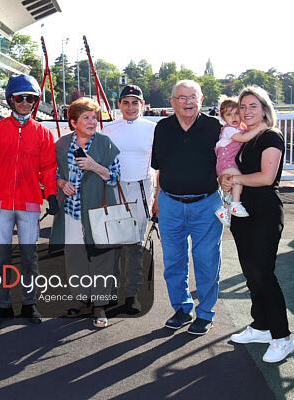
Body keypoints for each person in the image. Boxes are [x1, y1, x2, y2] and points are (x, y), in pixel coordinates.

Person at [0, 74, 58, 327]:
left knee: (29, 258)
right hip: (1, 204)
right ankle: (2, 307)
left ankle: (29, 305)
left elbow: (49, 168)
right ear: (10, 100)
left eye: (30, 99)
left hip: (29, 204)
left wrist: (51, 194)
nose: (25, 103)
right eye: (20, 98)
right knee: (1, 258)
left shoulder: (43, 133)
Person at [221, 86, 294, 363]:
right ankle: (261, 326)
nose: (247, 111)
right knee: (251, 273)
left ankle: (283, 337)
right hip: (243, 212)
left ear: (265, 109)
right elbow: (234, 170)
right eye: (243, 107)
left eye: (253, 106)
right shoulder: (244, 138)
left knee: (264, 273)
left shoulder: (271, 137)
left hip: (265, 211)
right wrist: (225, 180)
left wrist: (236, 179)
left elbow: (266, 177)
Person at [151, 80, 223, 336]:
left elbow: (227, 162)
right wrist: (157, 198)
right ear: (172, 102)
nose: (187, 102)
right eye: (181, 97)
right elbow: (160, 168)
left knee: (207, 261)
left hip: (206, 204)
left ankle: (205, 313)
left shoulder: (215, 128)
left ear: (201, 100)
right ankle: (182, 309)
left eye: (192, 97)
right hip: (170, 204)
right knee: (173, 262)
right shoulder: (162, 128)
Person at [51, 97, 121, 328]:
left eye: (94, 117)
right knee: (75, 258)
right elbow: (53, 175)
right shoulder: (62, 145)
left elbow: (115, 177)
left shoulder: (105, 143)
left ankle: (100, 305)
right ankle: (80, 299)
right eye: (86, 118)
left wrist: (94, 166)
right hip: (71, 212)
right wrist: (62, 183)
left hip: (99, 211)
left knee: (102, 258)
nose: (92, 122)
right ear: (73, 122)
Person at [102, 85, 155, 314]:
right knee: (114, 243)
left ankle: (132, 293)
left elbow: (159, 166)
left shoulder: (153, 129)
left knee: (135, 244)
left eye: (135, 103)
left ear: (142, 105)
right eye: (126, 103)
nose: (130, 107)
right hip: (115, 189)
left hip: (142, 188)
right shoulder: (109, 129)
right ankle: (110, 291)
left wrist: (157, 199)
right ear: (119, 105)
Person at [214, 96, 267, 227]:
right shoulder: (229, 130)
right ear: (223, 118)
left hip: (229, 162)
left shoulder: (239, 127)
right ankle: (235, 204)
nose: (234, 117)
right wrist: (260, 127)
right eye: (229, 115)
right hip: (226, 162)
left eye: (237, 113)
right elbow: (243, 138)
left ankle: (225, 208)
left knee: (231, 187)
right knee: (237, 179)